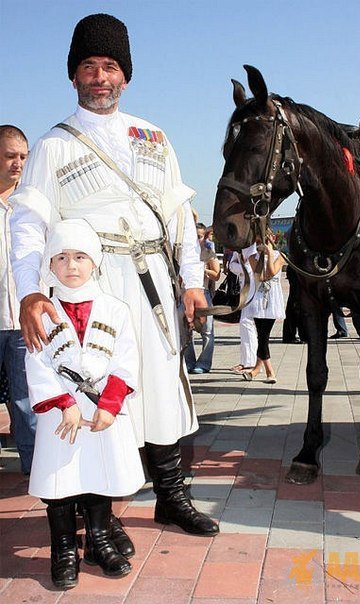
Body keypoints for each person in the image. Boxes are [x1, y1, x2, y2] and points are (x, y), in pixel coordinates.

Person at [10, 14, 218, 537]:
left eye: (110, 67)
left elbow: (178, 218)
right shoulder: (53, 145)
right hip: (90, 289)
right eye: (88, 66)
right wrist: (31, 291)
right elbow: (29, 224)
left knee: (161, 385)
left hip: (153, 287)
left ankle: (171, 496)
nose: (100, 77)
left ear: (125, 76)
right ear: (73, 76)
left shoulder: (154, 136)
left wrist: (191, 283)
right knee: (96, 390)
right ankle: (96, 513)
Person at [25, 219, 144, 588]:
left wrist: (109, 405)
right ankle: (62, 548)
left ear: (95, 261)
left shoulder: (116, 309)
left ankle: (98, 539)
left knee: (98, 477)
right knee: (59, 484)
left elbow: (126, 361)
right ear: (49, 264)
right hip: (61, 415)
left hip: (101, 413)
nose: (71, 266)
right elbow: (36, 361)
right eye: (61, 257)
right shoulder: (42, 312)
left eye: (79, 256)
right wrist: (64, 403)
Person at [0, 125, 36, 474]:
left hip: (24, 323)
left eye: (23, 156)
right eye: (11, 156)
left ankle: (35, 469)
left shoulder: (32, 203)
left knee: (26, 402)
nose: (18, 164)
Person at [242, 233, 286, 383]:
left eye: (266, 240)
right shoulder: (253, 257)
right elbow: (260, 276)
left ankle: (262, 370)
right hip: (258, 299)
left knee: (264, 335)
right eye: (260, 241)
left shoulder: (280, 256)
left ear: (273, 239)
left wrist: (269, 254)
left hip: (272, 299)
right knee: (262, 335)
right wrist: (262, 256)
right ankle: (263, 370)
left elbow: (272, 272)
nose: (263, 243)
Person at [184, 222, 220, 373]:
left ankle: (204, 363)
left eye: (198, 236)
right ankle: (189, 361)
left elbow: (217, 274)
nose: (196, 240)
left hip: (203, 292)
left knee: (207, 330)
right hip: (184, 293)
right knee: (186, 330)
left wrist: (202, 270)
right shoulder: (185, 251)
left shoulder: (207, 252)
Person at [228, 244, 258, 374]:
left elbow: (253, 267)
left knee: (247, 322)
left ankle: (250, 363)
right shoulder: (240, 246)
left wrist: (244, 266)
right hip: (243, 287)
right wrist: (242, 266)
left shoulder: (256, 247)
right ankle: (248, 361)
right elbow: (231, 265)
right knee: (246, 324)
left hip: (255, 288)